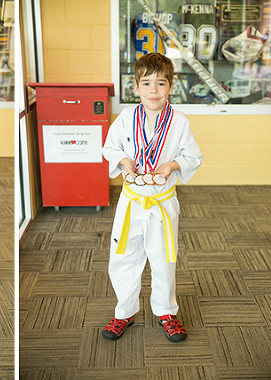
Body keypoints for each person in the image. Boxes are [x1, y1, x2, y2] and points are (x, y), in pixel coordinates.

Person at [101, 52, 202, 342]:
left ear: (171, 87)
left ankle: (166, 311)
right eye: (146, 84)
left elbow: (192, 155)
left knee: (163, 258)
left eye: (160, 83)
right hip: (132, 201)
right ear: (136, 87)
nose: (153, 90)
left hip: (162, 201)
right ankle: (124, 312)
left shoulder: (180, 121)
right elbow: (111, 147)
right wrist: (125, 163)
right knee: (123, 256)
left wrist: (171, 165)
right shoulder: (125, 118)